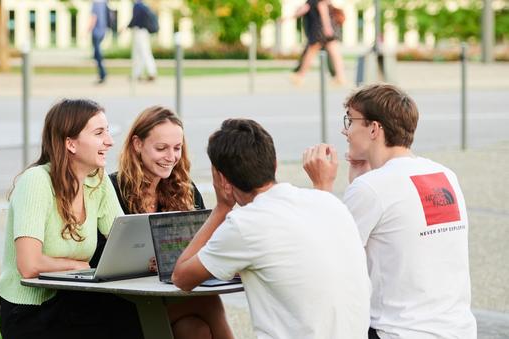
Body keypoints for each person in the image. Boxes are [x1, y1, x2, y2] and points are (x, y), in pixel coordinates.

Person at [302, 84, 477, 339]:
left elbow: (326, 260)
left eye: (350, 121)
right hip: (457, 329)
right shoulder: (444, 175)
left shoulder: (372, 188)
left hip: (399, 332)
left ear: (374, 128)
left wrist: (322, 185)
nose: (345, 130)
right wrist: (361, 179)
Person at [172, 118, 371, 338]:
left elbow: (181, 278)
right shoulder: (330, 203)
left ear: (222, 180)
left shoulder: (245, 224)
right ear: (274, 163)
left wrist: (221, 207)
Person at [0, 99, 143, 338]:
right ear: (71, 144)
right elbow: (29, 265)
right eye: (99, 133)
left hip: (72, 298)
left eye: (107, 131)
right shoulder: (36, 181)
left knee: (134, 317)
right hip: (30, 311)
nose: (110, 141)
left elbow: (127, 241)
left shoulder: (98, 180)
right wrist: (78, 266)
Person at [90, 106, 233, 339]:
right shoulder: (110, 189)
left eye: (177, 148)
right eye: (161, 148)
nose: (171, 157)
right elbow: (96, 257)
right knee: (209, 302)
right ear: (137, 144)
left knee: (195, 330)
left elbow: (203, 244)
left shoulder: (183, 189)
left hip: (168, 295)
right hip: (119, 301)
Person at [288, 0, 346, 85]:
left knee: (310, 54)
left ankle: (300, 76)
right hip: (324, 30)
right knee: (335, 55)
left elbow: (322, 10)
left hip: (318, 31)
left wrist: (327, 27)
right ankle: (340, 77)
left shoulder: (314, 1)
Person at [128, 0, 158, 81]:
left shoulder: (137, 6)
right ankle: (137, 73)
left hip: (139, 32)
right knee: (139, 53)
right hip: (143, 32)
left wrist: (127, 26)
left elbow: (135, 19)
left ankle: (151, 72)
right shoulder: (143, 5)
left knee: (144, 53)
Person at [89, 0, 109, 84]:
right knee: (97, 53)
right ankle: (102, 73)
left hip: (96, 32)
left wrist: (87, 30)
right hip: (102, 31)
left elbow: (94, 18)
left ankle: (103, 74)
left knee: (97, 54)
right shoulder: (104, 3)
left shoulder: (95, 4)